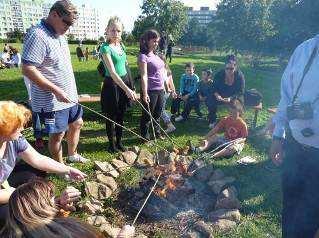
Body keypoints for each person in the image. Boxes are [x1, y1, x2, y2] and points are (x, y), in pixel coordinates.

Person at [0, 101, 87, 228]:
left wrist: (67, 169)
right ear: (4, 129)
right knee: (12, 214)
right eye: (17, 125)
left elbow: (38, 159)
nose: (22, 128)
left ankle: (43, 206)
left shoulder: (14, 140)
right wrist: (17, 193)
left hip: (4, 184)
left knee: (35, 172)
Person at [21, 0, 88, 164]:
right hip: (51, 101)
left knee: (77, 123)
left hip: (70, 96)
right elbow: (27, 69)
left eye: (71, 24)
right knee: (57, 134)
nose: (68, 27)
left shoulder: (60, 35)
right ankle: (60, 167)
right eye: (66, 22)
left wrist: (69, 90)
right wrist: (56, 90)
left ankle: (72, 154)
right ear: (54, 14)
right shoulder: (38, 35)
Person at [269, 34, 319, 238]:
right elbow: (286, 97)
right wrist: (278, 137)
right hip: (295, 148)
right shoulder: (304, 50)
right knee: (290, 210)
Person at [0, 179, 135, 238]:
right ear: (40, 208)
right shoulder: (72, 233)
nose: (57, 199)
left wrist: (59, 208)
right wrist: (124, 235)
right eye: (52, 197)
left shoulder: (12, 231)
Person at [100, 16, 137, 152]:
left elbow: (125, 66)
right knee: (111, 116)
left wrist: (130, 85)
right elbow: (113, 73)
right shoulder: (105, 48)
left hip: (124, 83)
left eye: (119, 31)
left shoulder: (122, 46)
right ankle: (111, 145)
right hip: (112, 86)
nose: (116, 33)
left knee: (121, 114)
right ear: (107, 31)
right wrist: (127, 89)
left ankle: (119, 142)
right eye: (113, 30)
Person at [138, 29, 166, 140]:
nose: (156, 43)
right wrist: (145, 93)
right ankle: (145, 137)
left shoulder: (155, 55)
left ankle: (157, 134)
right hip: (150, 90)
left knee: (158, 114)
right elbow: (143, 75)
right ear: (147, 41)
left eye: (157, 41)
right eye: (154, 41)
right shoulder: (143, 56)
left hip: (160, 89)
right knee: (147, 116)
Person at [210, 55, 245, 126]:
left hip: (234, 95)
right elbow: (213, 87)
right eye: (227, 68)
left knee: (237, 105)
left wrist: (230, 98)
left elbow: (240, 91)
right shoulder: (219, 74)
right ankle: (212, 120)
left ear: (235, 68)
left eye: (231, 68)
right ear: (224, 67)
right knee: (211, 100)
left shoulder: (239, 76)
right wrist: (217, 95)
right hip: (221, 94)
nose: (229, 70)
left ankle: (238, 122)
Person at [23, 76, 45, 150]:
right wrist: (31, 97)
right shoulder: (28, 66)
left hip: (49, 94)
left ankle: (53, 132)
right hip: (34, 95)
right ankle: (38, 137)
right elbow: (28, 83)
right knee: (34, 110)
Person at [160, 57, 176, 133]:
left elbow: (169, 83)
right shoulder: (168, 70)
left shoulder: (163, 70)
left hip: (164, 92)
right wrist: (173, 92)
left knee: (160, 110)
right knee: (160, 108)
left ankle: (170, 126)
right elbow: (171, 83)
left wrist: (173, 92)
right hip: (166, 92)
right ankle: (168, 115)